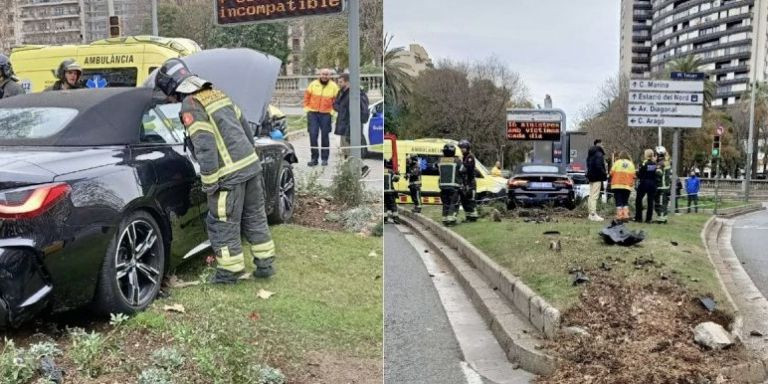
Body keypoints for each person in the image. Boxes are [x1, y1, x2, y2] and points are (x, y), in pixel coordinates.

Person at [154, 58, 276, 284]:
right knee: (255, 216)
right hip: (250, 166)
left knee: (222, 221)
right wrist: (251, 158)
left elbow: (205, 145)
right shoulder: (218, 93)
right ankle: (265, 263)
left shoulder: (191, 104)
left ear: (172, 86)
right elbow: (246, 129)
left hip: (228, 175)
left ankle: (229, 272)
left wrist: (209, 183)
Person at [303, 68, 339, 167]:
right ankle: (314, 159)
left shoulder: (334, 86)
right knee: (313, 135)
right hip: (313, 113)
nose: (324, 76)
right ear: (319, 74)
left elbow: (336, 101)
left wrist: (332, 112)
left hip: (326, 114)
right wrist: (306, 108)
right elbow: (306, 97)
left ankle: (324, 159)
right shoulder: (313, 84)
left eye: (327, 74)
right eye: (323, 74)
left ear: (330, 76)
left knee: (325, 137)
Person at [333, 73, 370, 160]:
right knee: (345, 151)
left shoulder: (357, 93)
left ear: (348, 82)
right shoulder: (341, 92)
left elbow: (363, 110)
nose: (339, 84)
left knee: (351, 152)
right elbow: (335, 104)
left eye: (341, 82)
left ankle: (361, 168)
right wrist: (342, 109)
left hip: (351, 127)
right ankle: (349, 171)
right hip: (343, 126)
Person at [438, 144, 462, 226]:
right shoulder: (457, 161)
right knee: (453, 203)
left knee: (445, 203)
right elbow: (463, 170)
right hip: (454, 187)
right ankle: (451, 220)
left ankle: (444, 219)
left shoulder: (440, 160)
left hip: (443, 187)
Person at [609, 151, 636, 222]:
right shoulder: (631, 164)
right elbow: (634, 175)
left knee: (618, 201)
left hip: (617, 185)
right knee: (625, 201)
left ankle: (620, 216)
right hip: (627, 186)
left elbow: (611, 173)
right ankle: (625, 215)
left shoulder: (617, 162)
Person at [586, 139, 608, 221]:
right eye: (602, 144)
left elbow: (588, 164)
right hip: (597, 177)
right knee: (595, 196)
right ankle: (593, 214)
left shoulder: (590, 154)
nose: (603, 146)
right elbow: (599, 166)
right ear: (598, 144)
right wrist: (604, 174)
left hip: (591, 176)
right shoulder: (599, 154)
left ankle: (590, 213)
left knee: (591, 195)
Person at [457, 139, 479, 222]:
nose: (462, 149)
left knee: (470, 200)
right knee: (465, 200)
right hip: (465, 182)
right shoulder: (464, 157)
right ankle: (468, 217)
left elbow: (466, 169)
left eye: (463, 148)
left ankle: (473, 217)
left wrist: (460, 162)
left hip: (470, 182)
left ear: (467, 148)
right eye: (461, 148)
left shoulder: (470, 157)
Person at [635, 149, 658, 223]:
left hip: (644, 183)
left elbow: (640, 174)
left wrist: (636, 173)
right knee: (650, 202)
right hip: (652, 184)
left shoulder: (644, 163)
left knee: (638, 200)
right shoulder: (655, 164)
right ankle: (649, 219)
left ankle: (638, 218)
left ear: (646, 155)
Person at [653, 146, 672, 223]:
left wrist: (654, 168)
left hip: (661, 187)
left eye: (656, 154)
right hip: (666, 186)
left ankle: (661, 219)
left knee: (660, 203)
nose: (655, 155)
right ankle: (664, 218)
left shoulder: (660, 164)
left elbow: (659, 174)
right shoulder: (667, 162)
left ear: (658, 154)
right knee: (664, 203)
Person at [384, 159, 400, 223]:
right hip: (390, 192)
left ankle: (385, 219)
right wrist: (397, 173)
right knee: (393, 205)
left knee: (384, 205)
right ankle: (395, 218)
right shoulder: (390, 171)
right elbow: (396, 179)